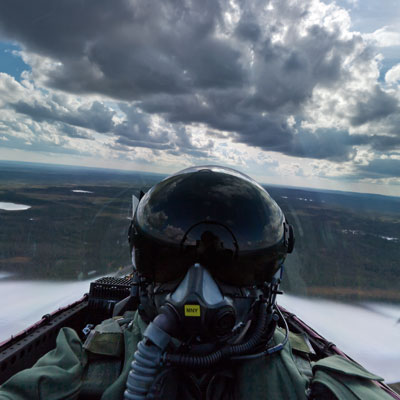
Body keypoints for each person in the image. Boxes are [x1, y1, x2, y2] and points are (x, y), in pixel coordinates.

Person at [0, 166, 396, 400]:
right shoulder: (83, 364)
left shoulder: (313, 384)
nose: (196, 290)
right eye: (170, 261)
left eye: (230, 266)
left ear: (268, 277)